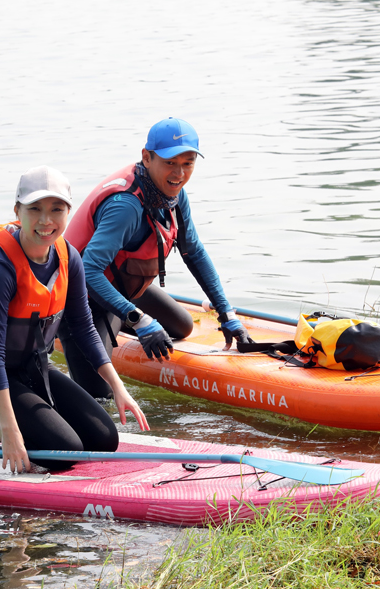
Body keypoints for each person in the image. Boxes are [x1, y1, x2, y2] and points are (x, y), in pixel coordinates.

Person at [0, 166, 149, 473]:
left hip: (33, 369)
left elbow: (84, 328)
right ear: (18, 211)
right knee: (65, 452)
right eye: (35, 209)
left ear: (69, 211)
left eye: (57, 209)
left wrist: (118, 387)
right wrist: (10, 432)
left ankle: (1, 422)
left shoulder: (69, 256)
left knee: (104, 439)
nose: (46, 221)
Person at [59, 117, 253, 399]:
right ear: (147, 158)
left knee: (183, 326)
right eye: (170, 162)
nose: (179, 173)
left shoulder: (174, 194)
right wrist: (141, 321)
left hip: (122, 287)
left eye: (188, 163)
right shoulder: (125, 206)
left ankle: (122, 319)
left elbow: (194, 252)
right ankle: (116, 324)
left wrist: (228, 314)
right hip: (80, 300)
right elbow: (88, 271)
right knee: (102, 398)